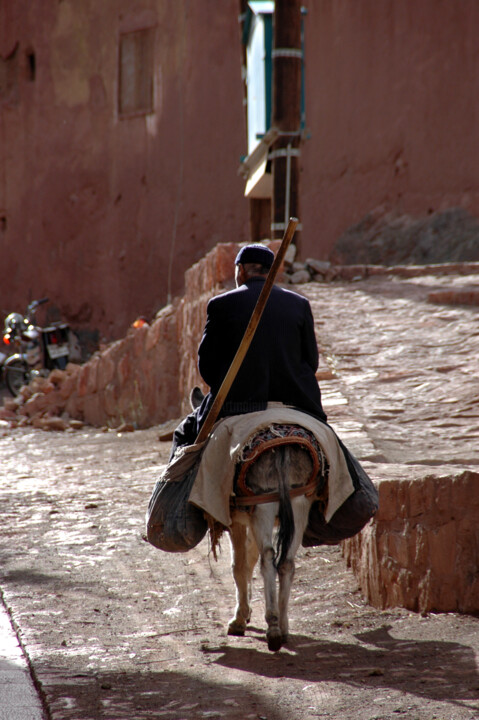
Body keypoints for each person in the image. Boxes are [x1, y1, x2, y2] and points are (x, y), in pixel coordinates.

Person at [170, 243, 327, 458]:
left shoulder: (220, 304)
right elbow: (311, 362)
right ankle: (359, 489)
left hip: (236, 405)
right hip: (299, 402)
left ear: (241, 270)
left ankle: (171, 491)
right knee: (337, 453)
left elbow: (207, 368)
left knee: (183, 435)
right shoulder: (299, 304)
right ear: (271, 272)